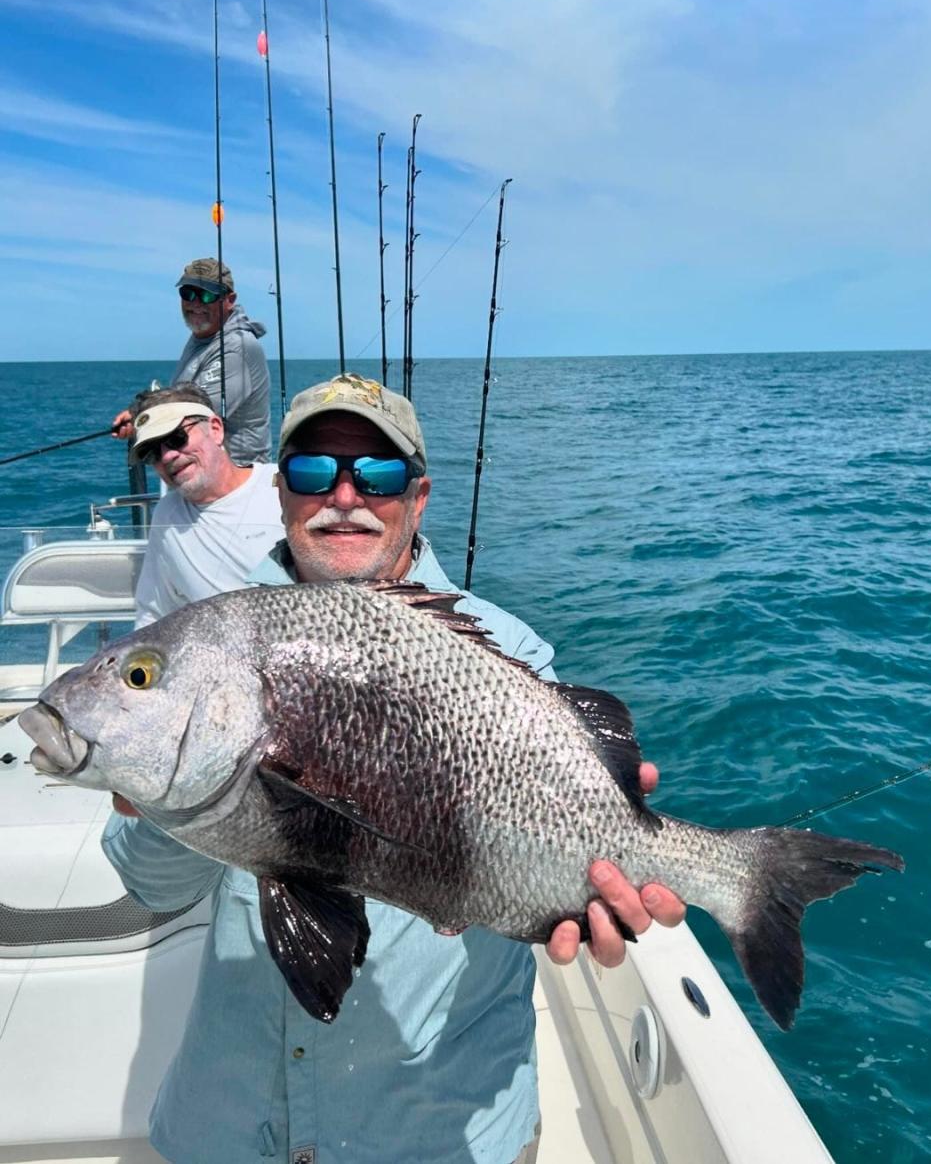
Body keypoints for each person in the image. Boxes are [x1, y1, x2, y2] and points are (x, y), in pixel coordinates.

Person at [102, 374, 686, 1164]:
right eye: (313, 472)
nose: (345, 496)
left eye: (377, 474)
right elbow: (153, 889)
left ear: (418, 495)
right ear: (282, 494)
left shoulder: (511, 659)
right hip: (233, 1129)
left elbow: (557, 865)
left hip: (435, 1135)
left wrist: (594, 896)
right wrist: (163, 786)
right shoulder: (211, 647)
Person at [128, 383, 284, 627]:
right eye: (152, 453)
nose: (167, 456)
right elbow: (154, 613)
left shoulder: (286, 486)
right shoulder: (167, 516)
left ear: (215, 429)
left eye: (176, 438)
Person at [112, 258, 271, 465]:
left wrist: (144, 417)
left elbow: (194, 412)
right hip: (199, 475)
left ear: (230, 299)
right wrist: (137, 414)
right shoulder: (202, 336)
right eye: (188, 293)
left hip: (235, 481)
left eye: (207, 295)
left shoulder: (238, 347)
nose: (196, 303)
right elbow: (182, 397)